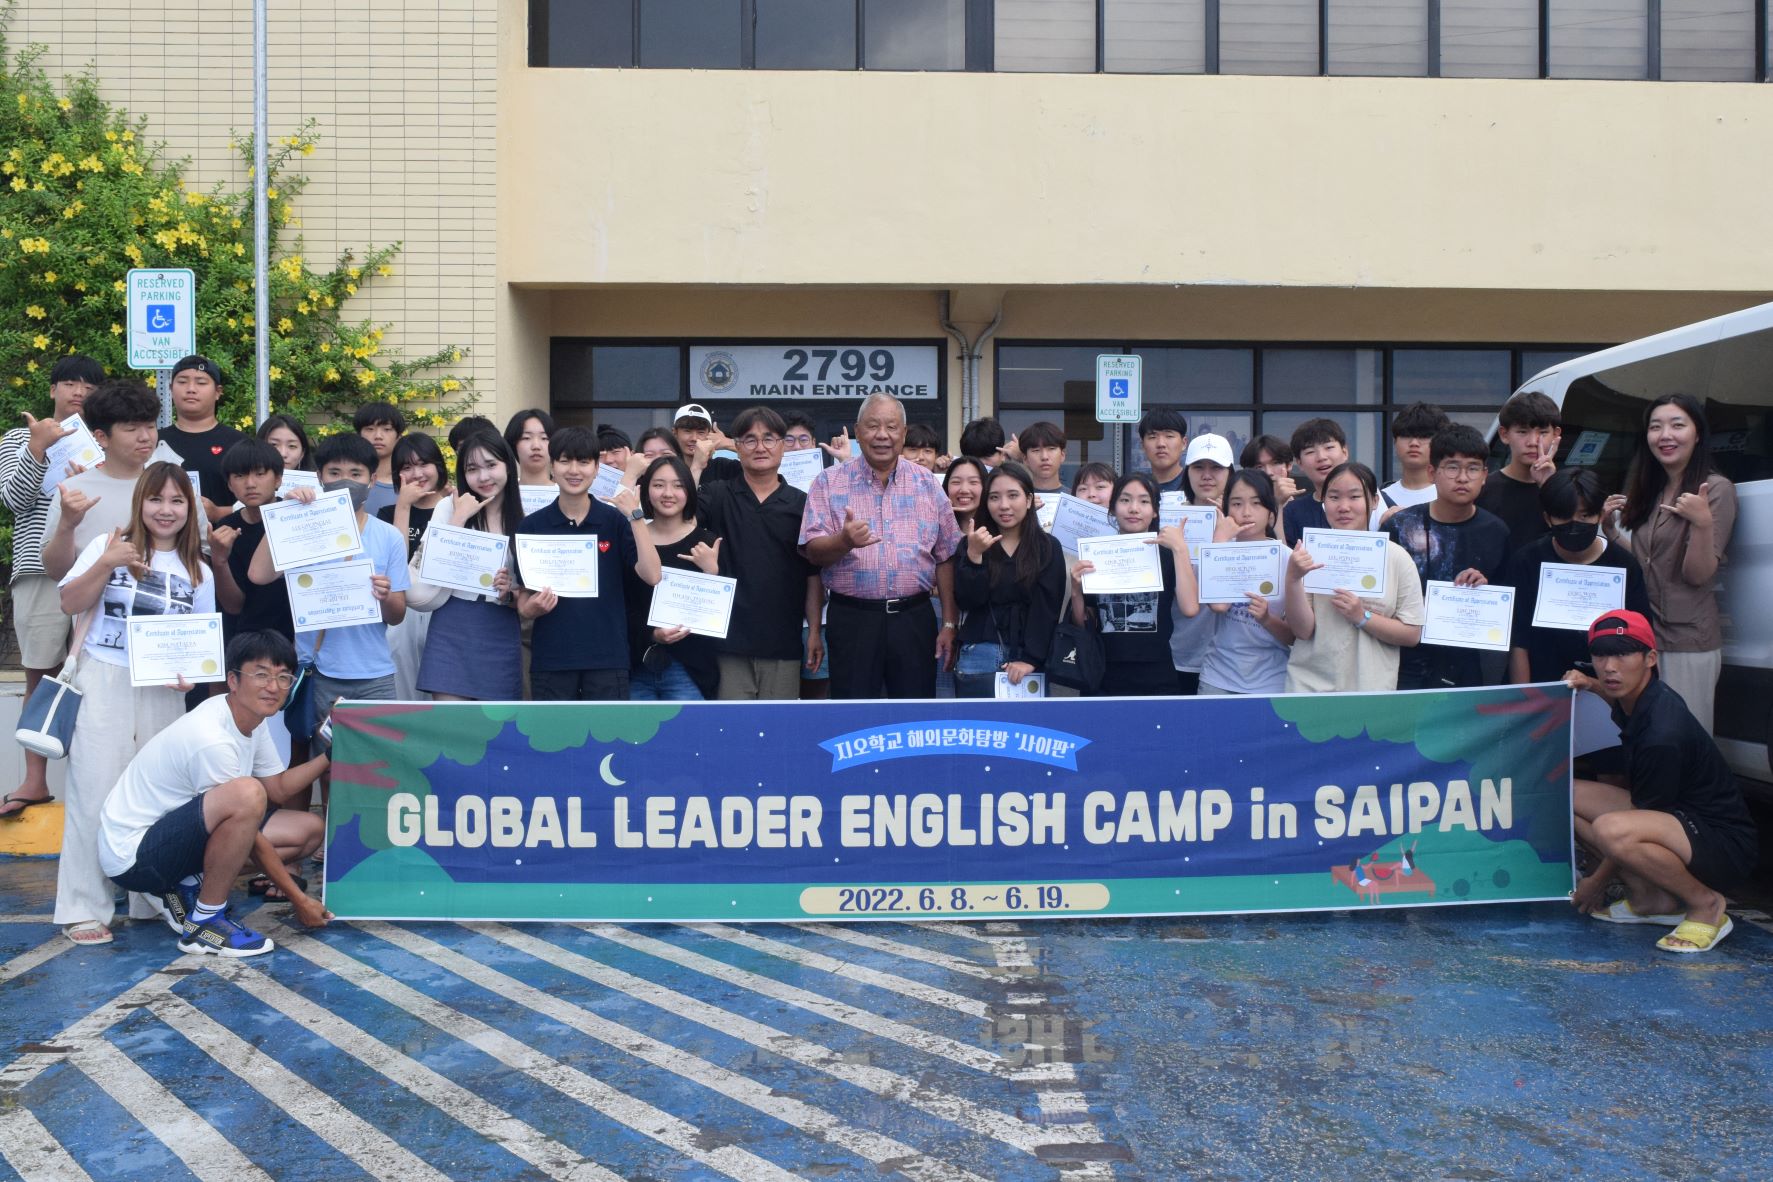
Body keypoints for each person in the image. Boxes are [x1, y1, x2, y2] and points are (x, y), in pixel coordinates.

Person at [55, 463, 215, 945]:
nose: (166, 510)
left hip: (163, 690)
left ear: (190, 508)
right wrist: (107, 563)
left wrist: (190, 678)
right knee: (93, 791)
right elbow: (69, 602)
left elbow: (202, 643)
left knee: (158, 797)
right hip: (103, 677)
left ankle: (151, 897)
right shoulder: (106, 546)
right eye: (156, 499)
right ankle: (84, 908)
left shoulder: (199, 570)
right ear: (140, 502)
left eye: (177, 501)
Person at [100, 631, 332, 957]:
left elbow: (278, 788)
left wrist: (330, 755)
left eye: (283, 677)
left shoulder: (250, 719)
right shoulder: (212, 737)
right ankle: (205, 923)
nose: (273, 686)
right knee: (247, 794)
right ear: (233, 680)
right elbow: (246, 830)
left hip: (169, 839)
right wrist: (300, 900)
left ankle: (188, 884)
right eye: (261, 675)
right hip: (134, 858)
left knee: (308, 830)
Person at [1566, 611, 1757, 953]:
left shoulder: (1662, 733)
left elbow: (1634, 822)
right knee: (1565, 796)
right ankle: (1650, 898)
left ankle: (1706, 904)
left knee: (1613, 829)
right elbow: (1611, 690)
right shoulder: (1639, 696)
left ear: (1650, 659)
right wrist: (1590, 684)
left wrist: (1596, 882)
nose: (1609, 667)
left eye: (1623, 654)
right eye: (1601, 655)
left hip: (1721, 844)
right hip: (1678, 822)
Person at [799, 392, 962, 699]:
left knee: (915, 712)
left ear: (904, 432)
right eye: (873, 426)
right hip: (853, 619)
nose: (882, 435)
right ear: (858, 432)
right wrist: (844, 541)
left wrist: (950, 623)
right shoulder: (828, 482)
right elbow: (813, 553)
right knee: (854, 712)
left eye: (891, 426)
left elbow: (946, 556)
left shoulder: (928, 484)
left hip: (914, 618)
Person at [0, 353, 103, 818]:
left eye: (89, 385)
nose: (79, 391)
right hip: (38, 570)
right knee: (40, 673)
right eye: (70, 383)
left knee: (97, 675)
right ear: (52, 390)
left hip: (96, 566)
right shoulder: (18, 438)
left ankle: (94, 780)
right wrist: (38, 449)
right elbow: (13, 499)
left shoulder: (105, 439)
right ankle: (35, 779)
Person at [248, 434, 409, 721]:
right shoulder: (303, 525)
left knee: (380, 750)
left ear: (372, 480)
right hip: (317, 670)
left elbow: (397, 615)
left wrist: (384, 597)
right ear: (319, 477)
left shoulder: (389, 536)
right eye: (335, 472)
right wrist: (283, 514)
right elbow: (258, 575)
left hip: (375, 674)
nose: (345, 481)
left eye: (356, 474)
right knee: (317, 750)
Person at [1604, 393, 1736, 734]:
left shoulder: (1716, 489)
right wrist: (1610, 532)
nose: (1665, 435)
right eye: (1655, 427)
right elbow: (1647, 563)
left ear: (1698, 434)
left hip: (1686, 640)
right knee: (1645, 736)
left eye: (1677, 425)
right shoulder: (1652, 489)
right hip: (1644, 637)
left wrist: (1702, 523)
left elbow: (1698, 574)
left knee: (1682, 739)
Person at [516, 426, 661, 700]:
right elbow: (523, 601)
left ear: (596, 469)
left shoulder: (615, 520)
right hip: (552, 660)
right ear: (552, 466)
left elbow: (653, 575)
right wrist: (531, 608)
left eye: (583, 462)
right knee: (552, 730)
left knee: (606, 730)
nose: (574, 470)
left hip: (608, 659)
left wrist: (636, 517)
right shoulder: (532, 525)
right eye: (565, 461)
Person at [700, 407, 823, 701]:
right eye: (750, 440)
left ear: (782, 446)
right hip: (727, 642)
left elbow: (812, 576)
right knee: (731, 725)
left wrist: (814, 631)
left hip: (783, 642)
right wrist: (696, 464)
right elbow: (679, 520)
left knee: (778, 725)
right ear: (737, 446)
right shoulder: (717, 495)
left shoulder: (802, 504)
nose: (760, 447)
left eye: (769, 439)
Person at [1384, 425, 1511, 689]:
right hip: (1403, 665)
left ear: (1485, 475)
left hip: (1467, 668)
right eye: (1452, 467)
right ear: (1432, 473)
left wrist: (1483, 589)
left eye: (1473, 468)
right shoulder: (1400, 526)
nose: (1463, 478)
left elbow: (1504, 606)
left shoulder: (1497, 532)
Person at [1284, 461, 1424, 693]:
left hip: (1370, 691)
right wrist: (1293, 579)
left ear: (1374, 501)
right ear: (1323, 502)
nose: (1343, 507)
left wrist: (1362, 616)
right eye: (1334, 497)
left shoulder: (1397, 557)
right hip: (1309, 689)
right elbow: (1302, 631)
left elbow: (1412, 634)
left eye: (1355, 497)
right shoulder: (1308, 555)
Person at [1507, 468, 1650, 684]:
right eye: (1563, 516)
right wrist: (1526, 695)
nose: (1574, 524)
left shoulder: (1623, 564)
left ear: (1600, 515)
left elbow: (1640, 637)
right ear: (1547, 518)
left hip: (1607, 686)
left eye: (1585, 515)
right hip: (1543, 684)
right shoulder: (1527, 561)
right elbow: (1519, 640)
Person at [410, 432, 523, 702]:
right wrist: (459, 516)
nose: (483, 477)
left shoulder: (523, 515)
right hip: (452, 621)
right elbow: (429, 564)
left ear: (508, 465)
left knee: (496, 723)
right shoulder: (447, 506)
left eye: (491, 465)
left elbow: (528, 592)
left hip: (499, 625)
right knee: (451, 722)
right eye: (472, 469)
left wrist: (509, 591)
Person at [1067, 472, 1201, 697]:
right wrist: (1076, 590)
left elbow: (1190, 608)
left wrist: (1180, 549)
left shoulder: (1168, 554)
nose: (1134, 509)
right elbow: (1083, 624)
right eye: (1125, 500)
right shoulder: (1098, 554)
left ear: (1155, 510)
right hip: (1103, 672)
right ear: (1112, 508)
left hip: (1157, 672)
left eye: (1144, 501)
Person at [953, 463, 1066, 698]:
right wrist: (974, 556)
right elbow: (966, 601)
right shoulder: (972, 543)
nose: (1004, 505)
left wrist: (1031, 659)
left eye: (1013, 495)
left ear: (1028, 499)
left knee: (1025, 723)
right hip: (979, 653)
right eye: (994, 497)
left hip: (1027, 659)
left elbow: (1047, 608)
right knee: (976, 721)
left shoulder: (1047, 547)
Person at [42, 379, 172, 581]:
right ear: (102, 437)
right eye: (131, 429)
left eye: (150, 426)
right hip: (92, 600)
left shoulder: (173, 487)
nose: (145, 437)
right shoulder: (73, 491)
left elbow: (198, 557)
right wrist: (67, 525)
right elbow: (56, 572)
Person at [622, 456, 722, 700]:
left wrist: (712, 573)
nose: (668, 493)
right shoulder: (631, 538)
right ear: (646, 491)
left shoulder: (706, 542)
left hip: (690, 667)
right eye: (658, 485)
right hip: (636, 665)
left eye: (678, 486)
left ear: (689, 491)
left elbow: (719, 613)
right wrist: (652, 634)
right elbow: (622, 603)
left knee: (690, 726)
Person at [1198, 470, 1294, 696]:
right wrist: (1220, 540)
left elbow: (1295, 636)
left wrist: (1267, 618)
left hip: (1272, 679)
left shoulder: (1287, 559)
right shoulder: (1216, 550)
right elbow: (1219, 605)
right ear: (1225, 510)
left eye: (1256, 503)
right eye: (1237, 503)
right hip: (1219, 676)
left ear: (1271, 513)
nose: (1246, 512)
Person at [377, 433, 450, 700]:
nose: (417, 474)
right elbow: (395, 565)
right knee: (403, 688)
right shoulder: (388, 513)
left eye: (423, 464)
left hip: (444, 605)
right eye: (407, 467)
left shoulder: (454, 509)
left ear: (438, 467)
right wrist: (404, 506)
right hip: (402, 610)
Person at [210, 439, 295, 647]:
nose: (250, 483)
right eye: (240, 476)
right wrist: (219, 560)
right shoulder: (226, 528)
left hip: (298, 640)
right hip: (247, 642)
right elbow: (233, 605)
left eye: (260, 473)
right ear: (229, 484)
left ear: (278, 479)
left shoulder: (294, 515)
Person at [1171, 433, 1236, 695]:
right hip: (1178, 653)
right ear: (1187, 472)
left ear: (1230, 472)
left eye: (1216, 468)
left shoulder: (1245, 523)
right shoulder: (1170, 520)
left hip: (1229, 663)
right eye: (1198, 467)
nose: (1207, 475)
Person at [158, 355, 246, 524]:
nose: (191, 389)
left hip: (228, 536)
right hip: (164, 537)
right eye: (182, 381)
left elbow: (260, 498)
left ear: (218, 392)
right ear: (170, 389)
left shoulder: (239, 444)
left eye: (201, 382)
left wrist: (220, 513)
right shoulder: (154, 442)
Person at [1477, 390, 1561, 552]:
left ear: (1556, 435)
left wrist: (1550, 487)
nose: (1533, 442)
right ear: (1504, 434)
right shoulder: (1482, 489)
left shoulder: (1569, 491)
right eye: (1522, 432)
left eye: (1543, 433)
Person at [1373, 402, 1449, 529]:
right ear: (1395, 442)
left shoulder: (1451, 498)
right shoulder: (1377, 499)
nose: (1414, 443)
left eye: (1424, 436)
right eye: (1406, 435)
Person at [1279, 418, 1349, 545]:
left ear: (1345, 452)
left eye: (1329, 447)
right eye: (1310, 452)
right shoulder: (1292, 512)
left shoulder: (1375, 501)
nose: (1321, 457)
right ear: (1299, 463)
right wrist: (1278, 505)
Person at [354, 402, 407, 517]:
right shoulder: (347, 481)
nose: (378, 436)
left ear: (399, 437)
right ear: (359, 435)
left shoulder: (408, 482)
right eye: (370, 429)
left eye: (387, 429)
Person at [675, 403, 743, 486]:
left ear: (710, 434)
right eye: (687, 431)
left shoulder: (722, 467)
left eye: (701, 432)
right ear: (675, 433)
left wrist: (728, 443)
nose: (694, 438)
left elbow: (757, 472)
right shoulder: (668, 467)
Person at [1137, 408, 1189, 493]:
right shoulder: (1136, 488)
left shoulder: (1194, 486)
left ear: (1184, 443)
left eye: (1169, 436)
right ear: (1142, 445)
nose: (1161, 444)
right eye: (1153, 437)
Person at [1241, 434, 1301, 506]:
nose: (1268, 472)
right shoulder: (1240, 508)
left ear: (1289, 465)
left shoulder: (1305, 507)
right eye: (1259, 467)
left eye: (1275, 463)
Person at [505, 408, 555, 490]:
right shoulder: (501, 495)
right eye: (526, 438)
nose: (536, 446)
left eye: (544, 438)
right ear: (513, 443)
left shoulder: (565, 494)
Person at [944, 456, 988, 534]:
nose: (964, 490)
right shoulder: (935, 527)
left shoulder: (999, 528)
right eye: (956, 482)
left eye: (973, 482)